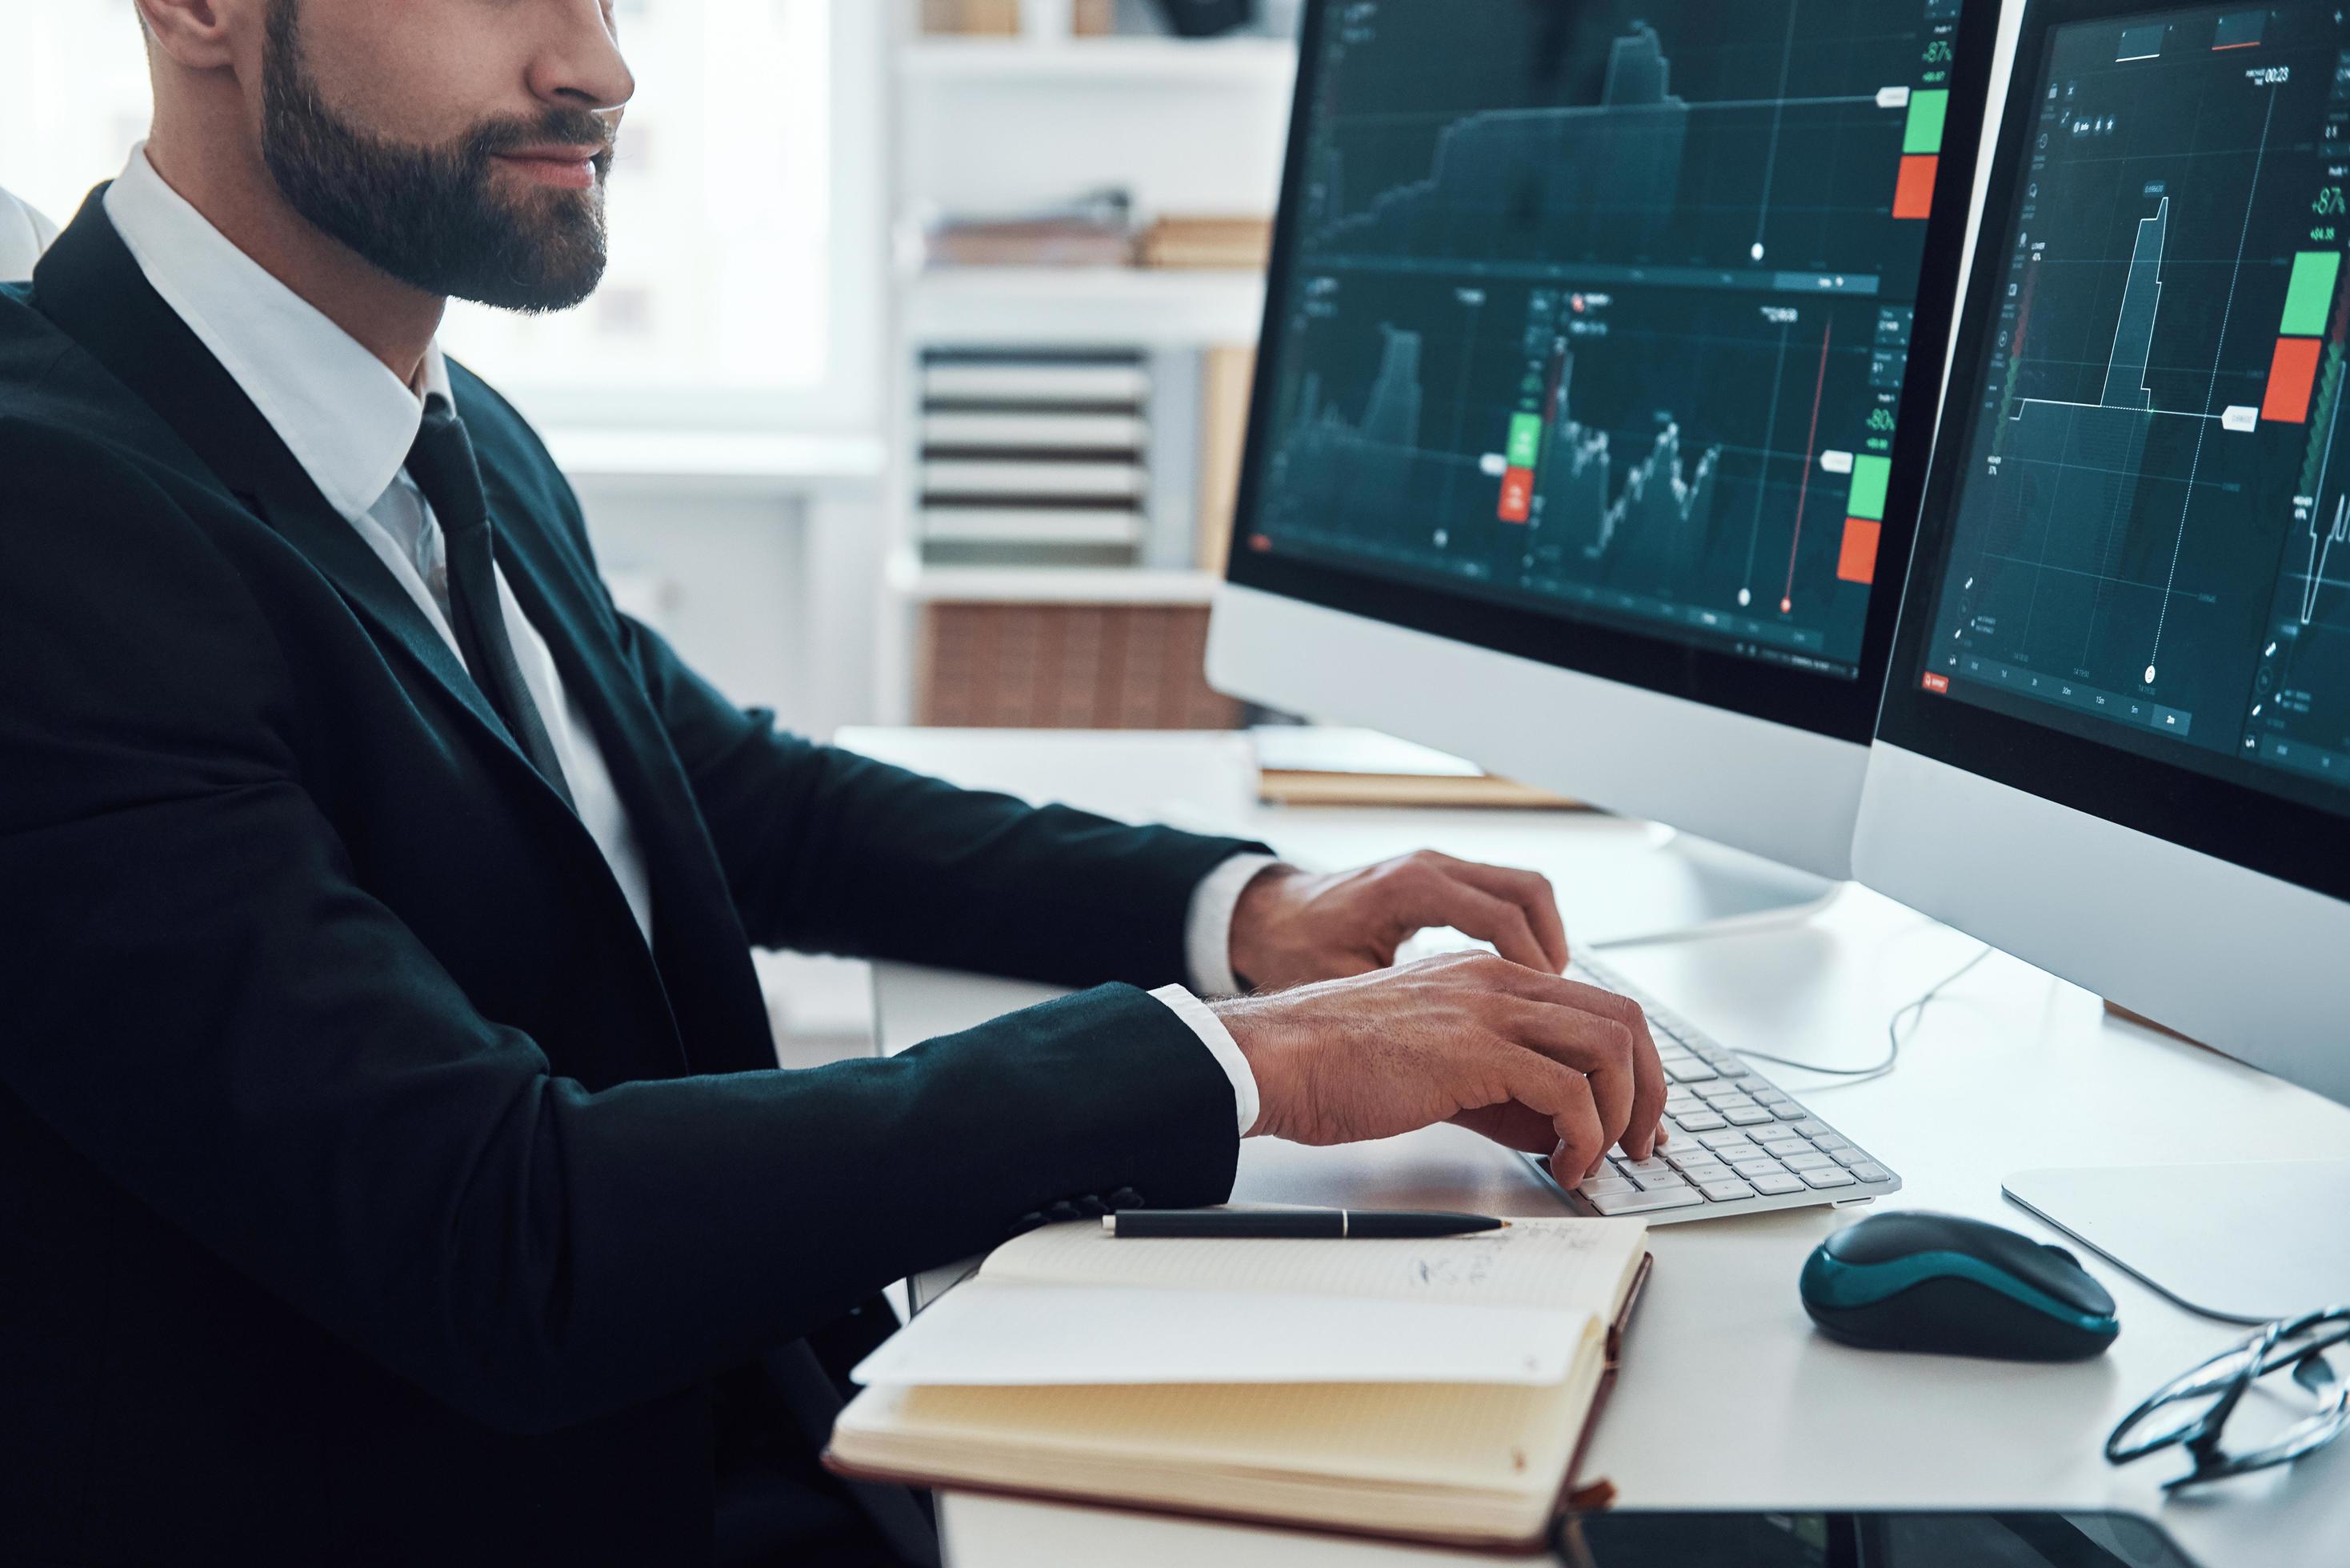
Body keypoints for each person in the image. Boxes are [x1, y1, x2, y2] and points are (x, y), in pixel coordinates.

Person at [0, 2, 1667, 1563]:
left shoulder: (441, 420)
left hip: (727, 1407)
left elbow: (730, 796)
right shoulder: (51, 519)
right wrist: (1238, 1067)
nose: (599, 63)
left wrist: (1243, 908)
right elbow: (502, 1225)